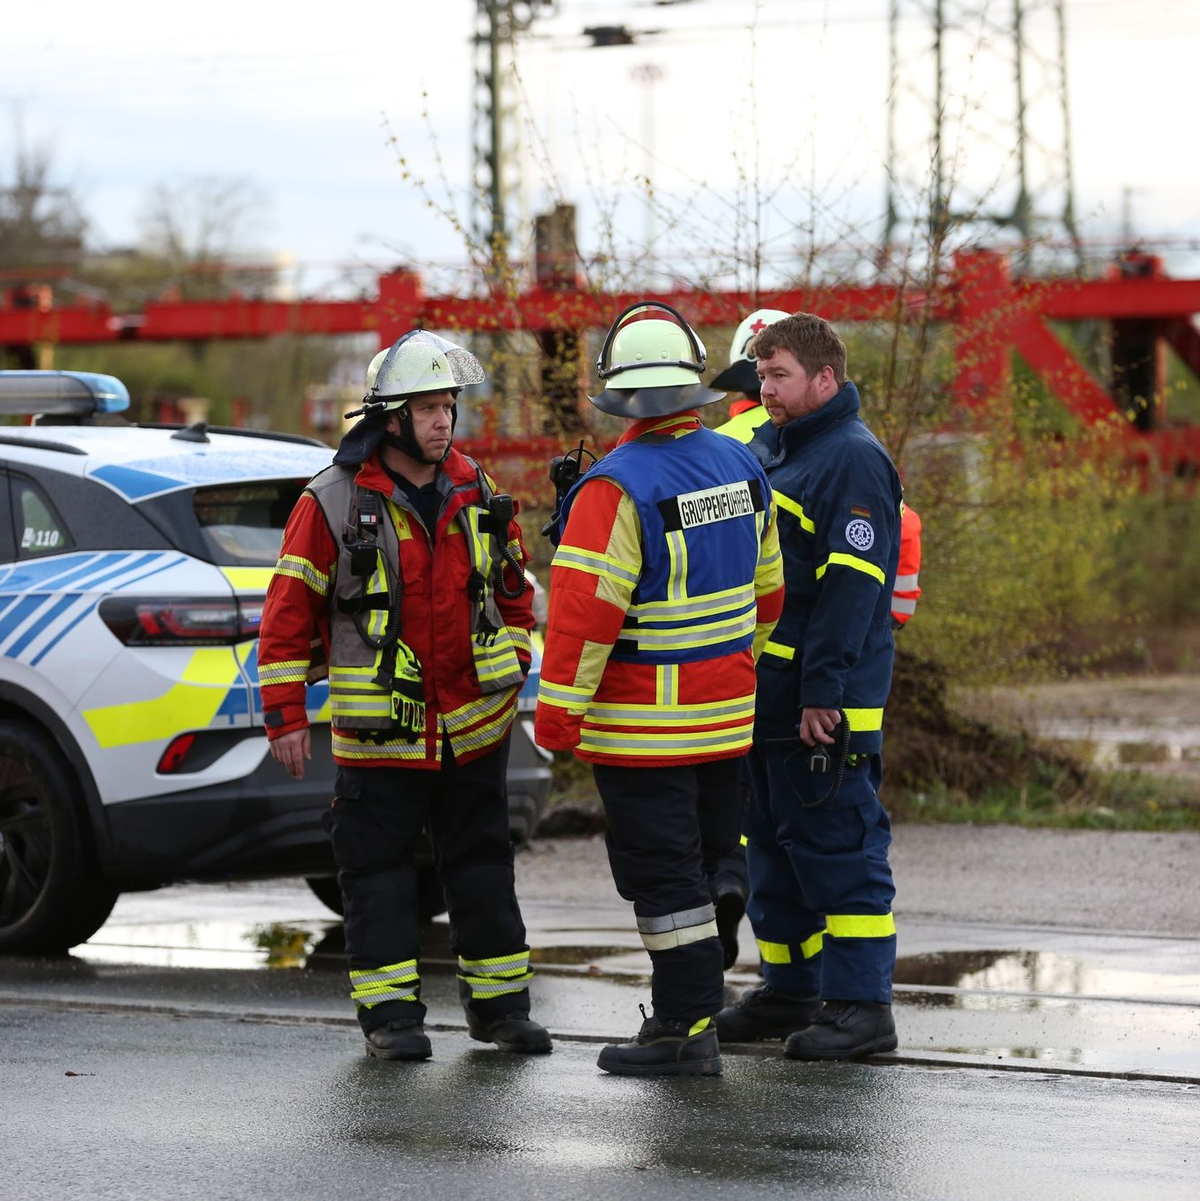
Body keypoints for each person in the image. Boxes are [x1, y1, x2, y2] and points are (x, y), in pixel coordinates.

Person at [257, 330, 551, 1062]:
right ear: (389, 418)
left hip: (473, 725)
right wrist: (284, 714)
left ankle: (501, 1010)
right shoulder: (329, 502)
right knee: (378, 875)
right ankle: (392, 1019)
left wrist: (513, 661)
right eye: (427, 408)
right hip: (381, 733)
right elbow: (287, 613)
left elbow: (514, 591)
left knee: (484, 868)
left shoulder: (475, 487)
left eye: (448, 405)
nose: (444, 420)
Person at [534, 302, 784, 1077]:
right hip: (726, 715)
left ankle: (682, 1026)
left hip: (643, 730)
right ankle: (710, 949)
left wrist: (557, 717)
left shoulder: (614, 487)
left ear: (620, 393)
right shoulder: (741, 464)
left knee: (664, 878)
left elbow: (582, 618)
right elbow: (769, 592)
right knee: (706, 860)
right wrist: (737, 665)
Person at [715, 311, 903, 1060]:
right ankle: (790, 991)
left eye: (779, 374)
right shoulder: (786, 452)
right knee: (774, 853)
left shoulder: (850, 459)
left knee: (838, 853)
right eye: (760, 374)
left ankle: (863, 1009)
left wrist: (823, 691)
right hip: (772, 697)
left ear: (826, 379)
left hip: (821, 706)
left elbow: (851, 593)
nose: (766, 388)